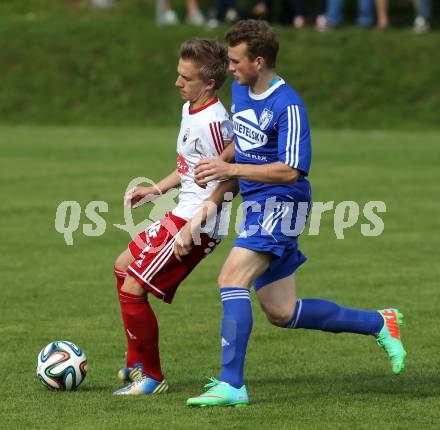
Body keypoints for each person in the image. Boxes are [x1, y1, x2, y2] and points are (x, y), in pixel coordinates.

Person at [178, 20, 407, 407]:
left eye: (236, 61)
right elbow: (240, 146)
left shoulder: (288, 105)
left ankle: (231, 384)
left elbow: (291, 169)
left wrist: (229, 169)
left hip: (283, 203)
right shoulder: (240, 90)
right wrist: (215, 180)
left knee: (231, 278)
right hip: (256, 205)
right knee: (281, 311)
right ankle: (379, 323)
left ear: (259, 60)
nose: (229, 68)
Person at [112, 38, 235, 396]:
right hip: (182, 212)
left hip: (199, 223)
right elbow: (189, 168)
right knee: (123, 267)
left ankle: (151, 377)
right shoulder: (191, 109)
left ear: (208, 84)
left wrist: (194, 228)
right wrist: (155, 190)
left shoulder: (215, 123)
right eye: (178, 74)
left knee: (134, 287)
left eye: (186, 78)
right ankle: (136, 362)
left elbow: (229, 183)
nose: (177, 83)